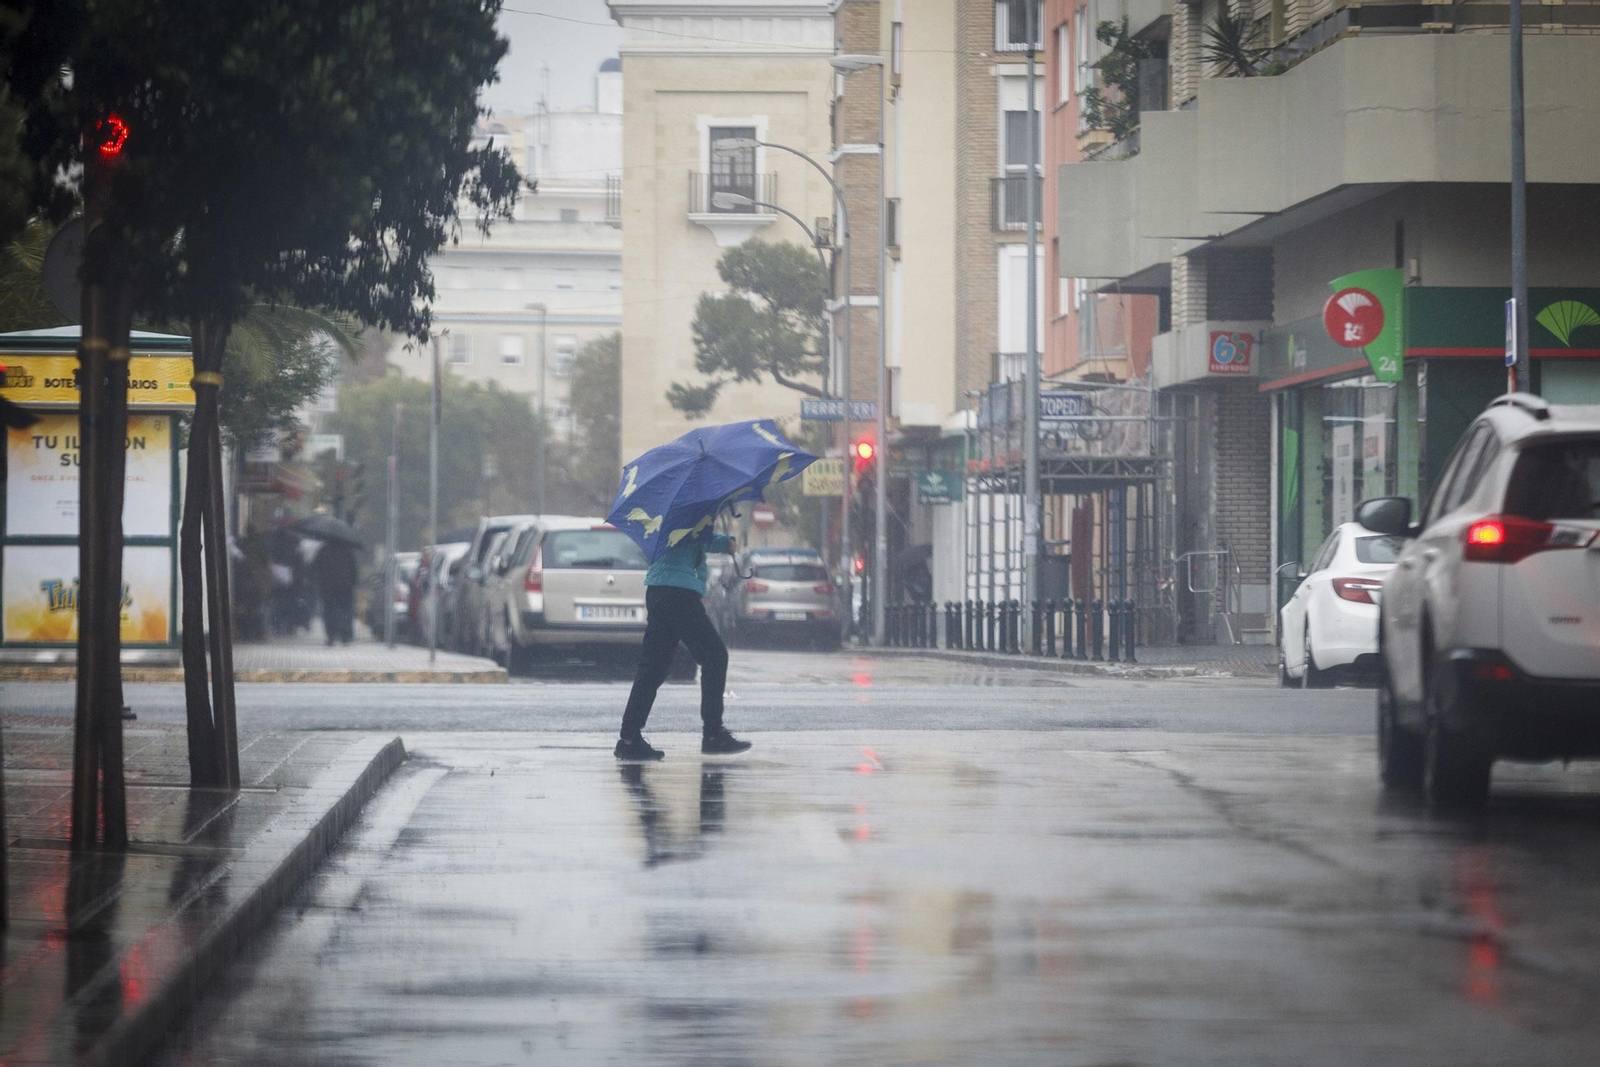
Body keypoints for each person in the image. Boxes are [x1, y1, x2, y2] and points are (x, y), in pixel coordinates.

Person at [616, 532, 750, 761]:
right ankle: (713, 734)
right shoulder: (686, 512)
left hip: (660, 590)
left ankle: (629, 738)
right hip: (678, 594)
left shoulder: (667, 514)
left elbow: (691, 537)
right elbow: (692, 535)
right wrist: (721, 542)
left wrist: (721, 542)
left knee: (653, 668)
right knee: (715, 656)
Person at [311, 538, 359, 645]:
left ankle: (331, 635)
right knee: (345, 610)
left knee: (329, 611)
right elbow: (354, 569)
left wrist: (318, 581)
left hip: (328, 587)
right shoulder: (347, 551)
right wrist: (354, 583)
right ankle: (345, 635)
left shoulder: (323, 550)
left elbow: (315, 567)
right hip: (345, 587)